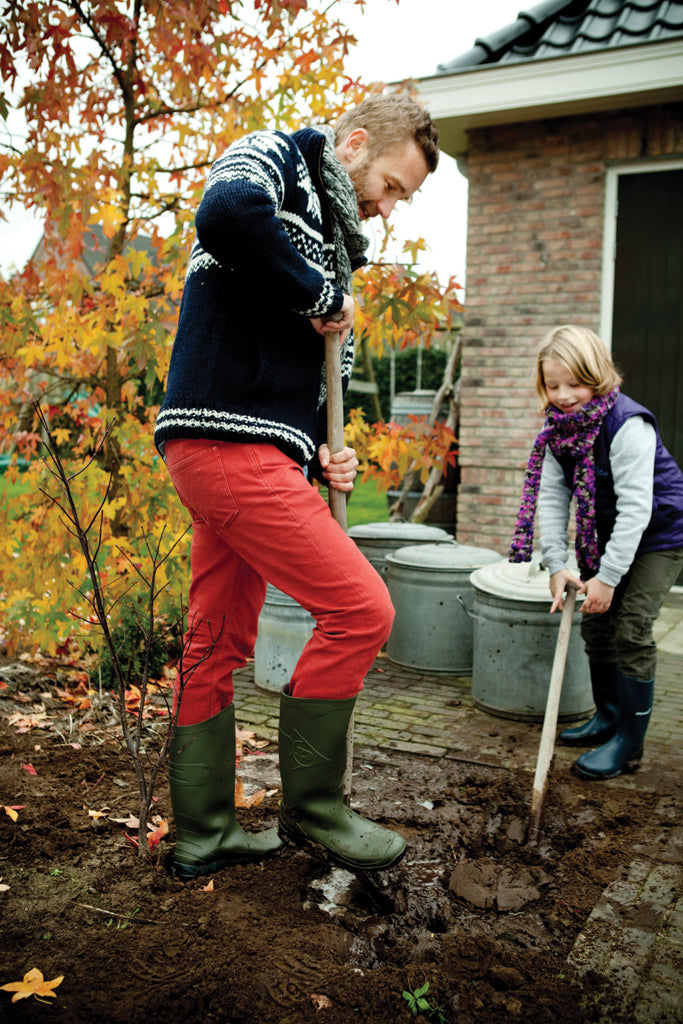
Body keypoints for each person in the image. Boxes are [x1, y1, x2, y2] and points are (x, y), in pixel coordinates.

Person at [154, 93, 440, 879]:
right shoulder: (277, 159)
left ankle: (201, 833)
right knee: (361, 610)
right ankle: (314, 809)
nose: (388, 207)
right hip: (224, 443)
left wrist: (322, 453)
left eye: (401, 199)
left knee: (216, 642)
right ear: (353, 145)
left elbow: (316, 385)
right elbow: (225, 215)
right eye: (390, 184)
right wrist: (319, 295)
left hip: (246, 452)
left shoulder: (339, 247)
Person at [509, 325, 683, 781]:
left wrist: (607, 577)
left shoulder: (629, 426)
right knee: (597, 624)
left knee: (631, 627)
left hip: (659, 535)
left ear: (599, 376)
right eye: (553, 385)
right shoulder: (558, 432)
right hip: (607, 535)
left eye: (575, 383)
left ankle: (629, 741)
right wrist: (557, 564)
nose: (563, 395)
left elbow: (635, 510)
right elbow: (551, 497)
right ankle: (607, 718)